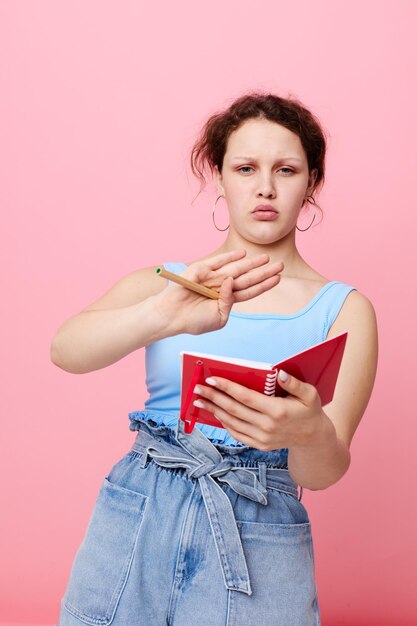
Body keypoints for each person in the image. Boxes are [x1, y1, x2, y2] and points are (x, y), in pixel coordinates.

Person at [51, 92, 378, 626]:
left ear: (312, 181)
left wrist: (308, 432)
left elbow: (322, 472)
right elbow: (65, 350)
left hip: (261, 520)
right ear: (220, 176)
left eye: (287, 169)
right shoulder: (169, 283)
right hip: (141, 507)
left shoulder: (346, 310)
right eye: (245, 168)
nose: (265, 187)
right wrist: (164, 315)